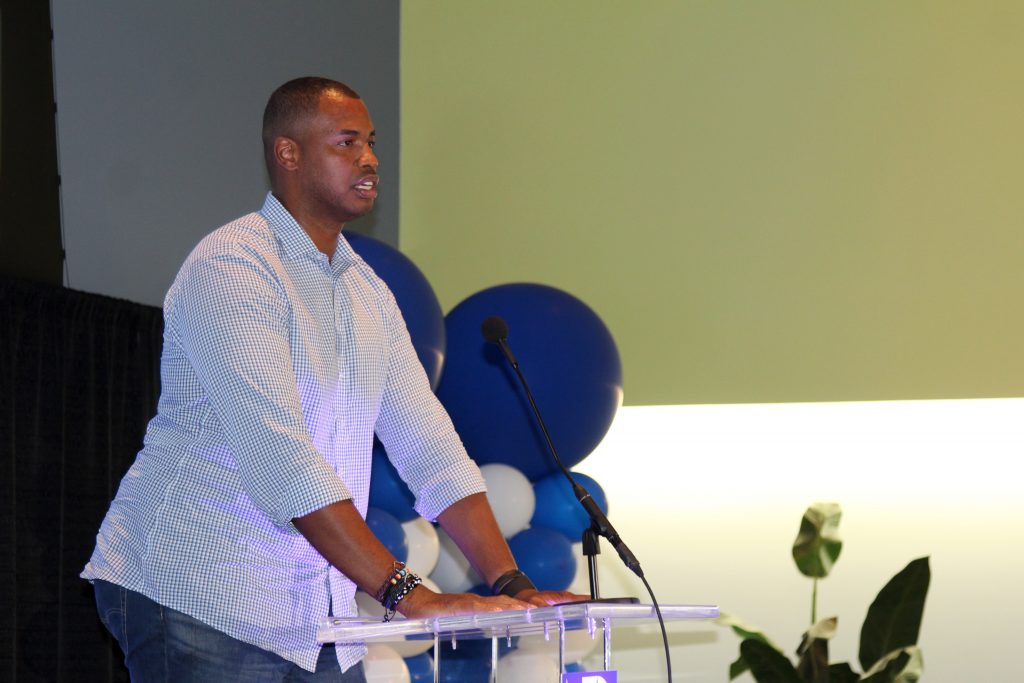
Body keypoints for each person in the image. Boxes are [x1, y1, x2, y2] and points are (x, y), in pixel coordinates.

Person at [82, 76, 579, 682]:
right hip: (202, 591)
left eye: (371, 143)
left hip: (315, 611)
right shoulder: (233, 267)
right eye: (347, 143)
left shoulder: (368, 292)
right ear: (288, 153)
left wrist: (513, 585)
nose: (369, 159)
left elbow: (430, 446)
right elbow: (281, 457)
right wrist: (412, 596)